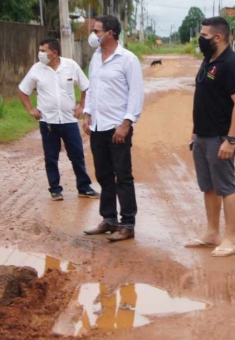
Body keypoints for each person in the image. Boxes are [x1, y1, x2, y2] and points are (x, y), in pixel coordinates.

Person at [184, 17, 235, 257]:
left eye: (204, 35)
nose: (200, 39)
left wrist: (231, 139)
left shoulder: (232, 63)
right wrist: (195, 131)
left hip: (221, 136)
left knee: (226, 187)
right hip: (202, 135)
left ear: (218, 38)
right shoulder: (208, 59)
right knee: (209, 187)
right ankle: (212, 233)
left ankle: (230, 239)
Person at [81, 15, 144, 242]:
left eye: (97, 31)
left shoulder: (128, 59)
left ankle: (128, 224)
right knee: (104, 175)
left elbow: (136, 94)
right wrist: (87, 114)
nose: (93, 35)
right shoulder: (95, 58)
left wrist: (126, 124)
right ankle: (109, 219)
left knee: (123, 176)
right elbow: (91, 89)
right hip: (97, 127)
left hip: (117, 128)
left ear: (110, 33)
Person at [18, 38, 99, 201]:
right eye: (40, 50)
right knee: (51, 156)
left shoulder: (71, 66)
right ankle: (55, 189)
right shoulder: (36, 69)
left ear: (54, 53)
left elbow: (86, 87)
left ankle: (84, 187)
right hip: (48, 121)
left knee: (77, 155)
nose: (40, 54)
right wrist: (30, 109)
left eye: (43, 51)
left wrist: (82, 106)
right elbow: (22, 90)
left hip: (69, 119)